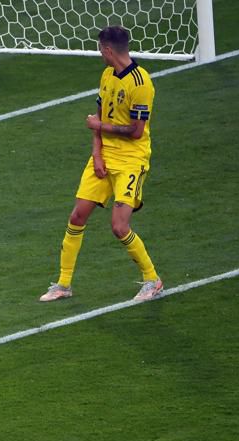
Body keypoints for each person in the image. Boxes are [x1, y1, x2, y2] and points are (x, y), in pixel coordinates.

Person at [39, 25, 163, 303]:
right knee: (77, 217)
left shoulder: (141, 84)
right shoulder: (107, 75)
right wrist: (97, 154)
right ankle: (63, 284)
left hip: (131, 160)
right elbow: (99, 118)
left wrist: (100, 127)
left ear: (108, 50)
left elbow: (136, 131)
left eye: (100, 49)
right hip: (104, 156)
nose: (100, 54)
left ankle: (152, 280)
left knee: (119, 227)